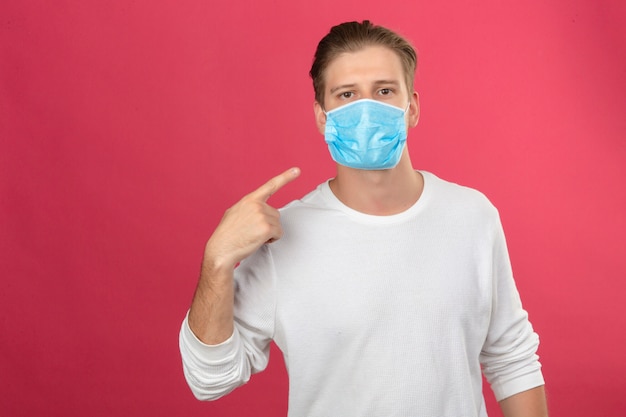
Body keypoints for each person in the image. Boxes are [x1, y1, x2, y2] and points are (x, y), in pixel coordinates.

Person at [179, 20, 548, 416]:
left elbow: (512, 359)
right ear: (322, 117)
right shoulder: (282, 238)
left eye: (384, 91)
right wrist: (216, 260)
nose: (367, 110)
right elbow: (209, 379)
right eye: (347, 95)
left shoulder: (472, 216)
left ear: (413, 107)